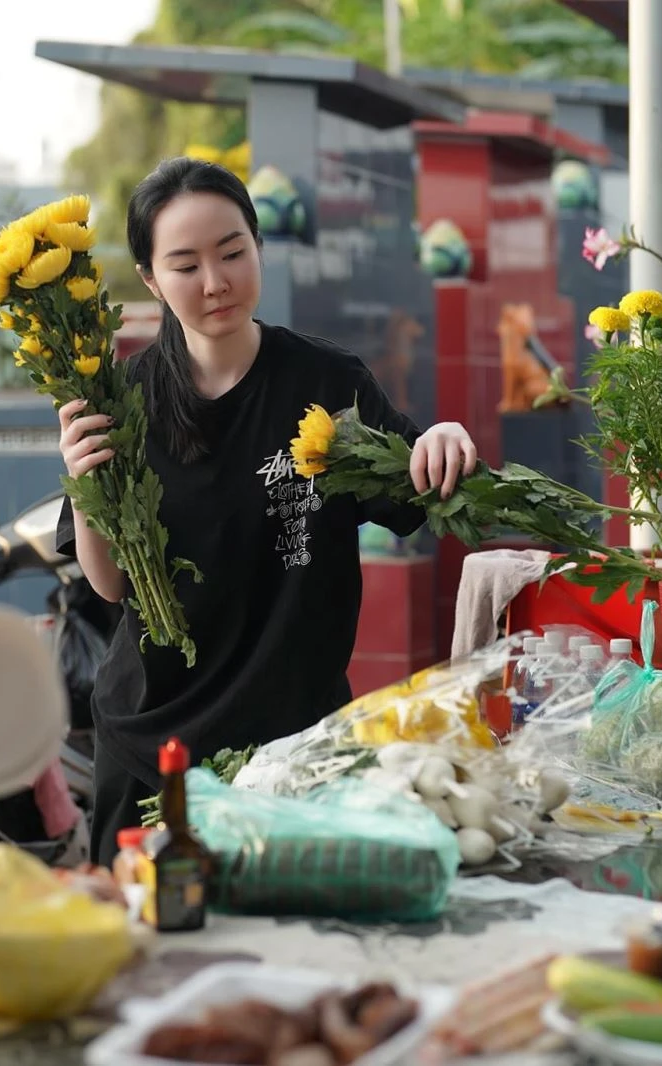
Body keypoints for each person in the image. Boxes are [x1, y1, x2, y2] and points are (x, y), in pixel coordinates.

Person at [55, 157, 478, 865]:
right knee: (149, 933)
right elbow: (111, 586)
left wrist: (443, 438)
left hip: (298, 751)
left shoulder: (327, 381)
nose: (215, 282)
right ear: (151, 279)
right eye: (185, 265)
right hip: (154, 751)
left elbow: (416, 481)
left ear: (259, 246)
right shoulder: (123, 403)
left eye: (232, 253)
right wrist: (84, 483)